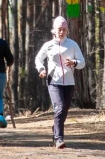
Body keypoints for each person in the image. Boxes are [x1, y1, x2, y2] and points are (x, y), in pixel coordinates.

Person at [35, 16, 85, 149]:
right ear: (54, 31)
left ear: (67, 30)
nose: (61, 32)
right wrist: (41, 69)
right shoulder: (48, 45)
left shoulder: (72, 45)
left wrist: (74, 63)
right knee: (59, 108)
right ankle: (59, 139)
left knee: (64, 110)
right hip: (54, 81)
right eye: (59, 29)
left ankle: (56, 128)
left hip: (69, 82)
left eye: (64, 29)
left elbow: (82, 63)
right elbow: (38, 59)